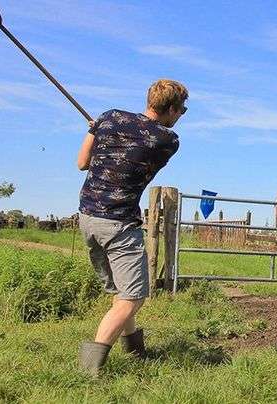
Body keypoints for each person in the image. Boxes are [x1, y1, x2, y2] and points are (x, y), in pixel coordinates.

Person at [75, 79, 187, 375]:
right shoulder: (167, 140)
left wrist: (94, 130)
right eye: (182, 110)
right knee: (133, 297)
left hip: (87, 218)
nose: (181, 115)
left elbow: (82, 162)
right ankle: (88, 370)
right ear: (171, 108)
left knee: (122, 292)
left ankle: (136, 352)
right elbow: (142, 141)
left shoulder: (110, 117)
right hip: (119, 223)